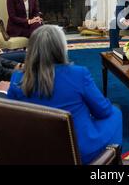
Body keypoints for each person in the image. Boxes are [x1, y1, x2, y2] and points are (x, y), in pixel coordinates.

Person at [8, 25, 122, 164]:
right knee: (116, 112)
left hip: (36, 150)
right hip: (78, 153)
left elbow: (12, 121)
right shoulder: (78, 74)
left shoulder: (17, 79)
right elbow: (103, 111)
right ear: (61, 48)